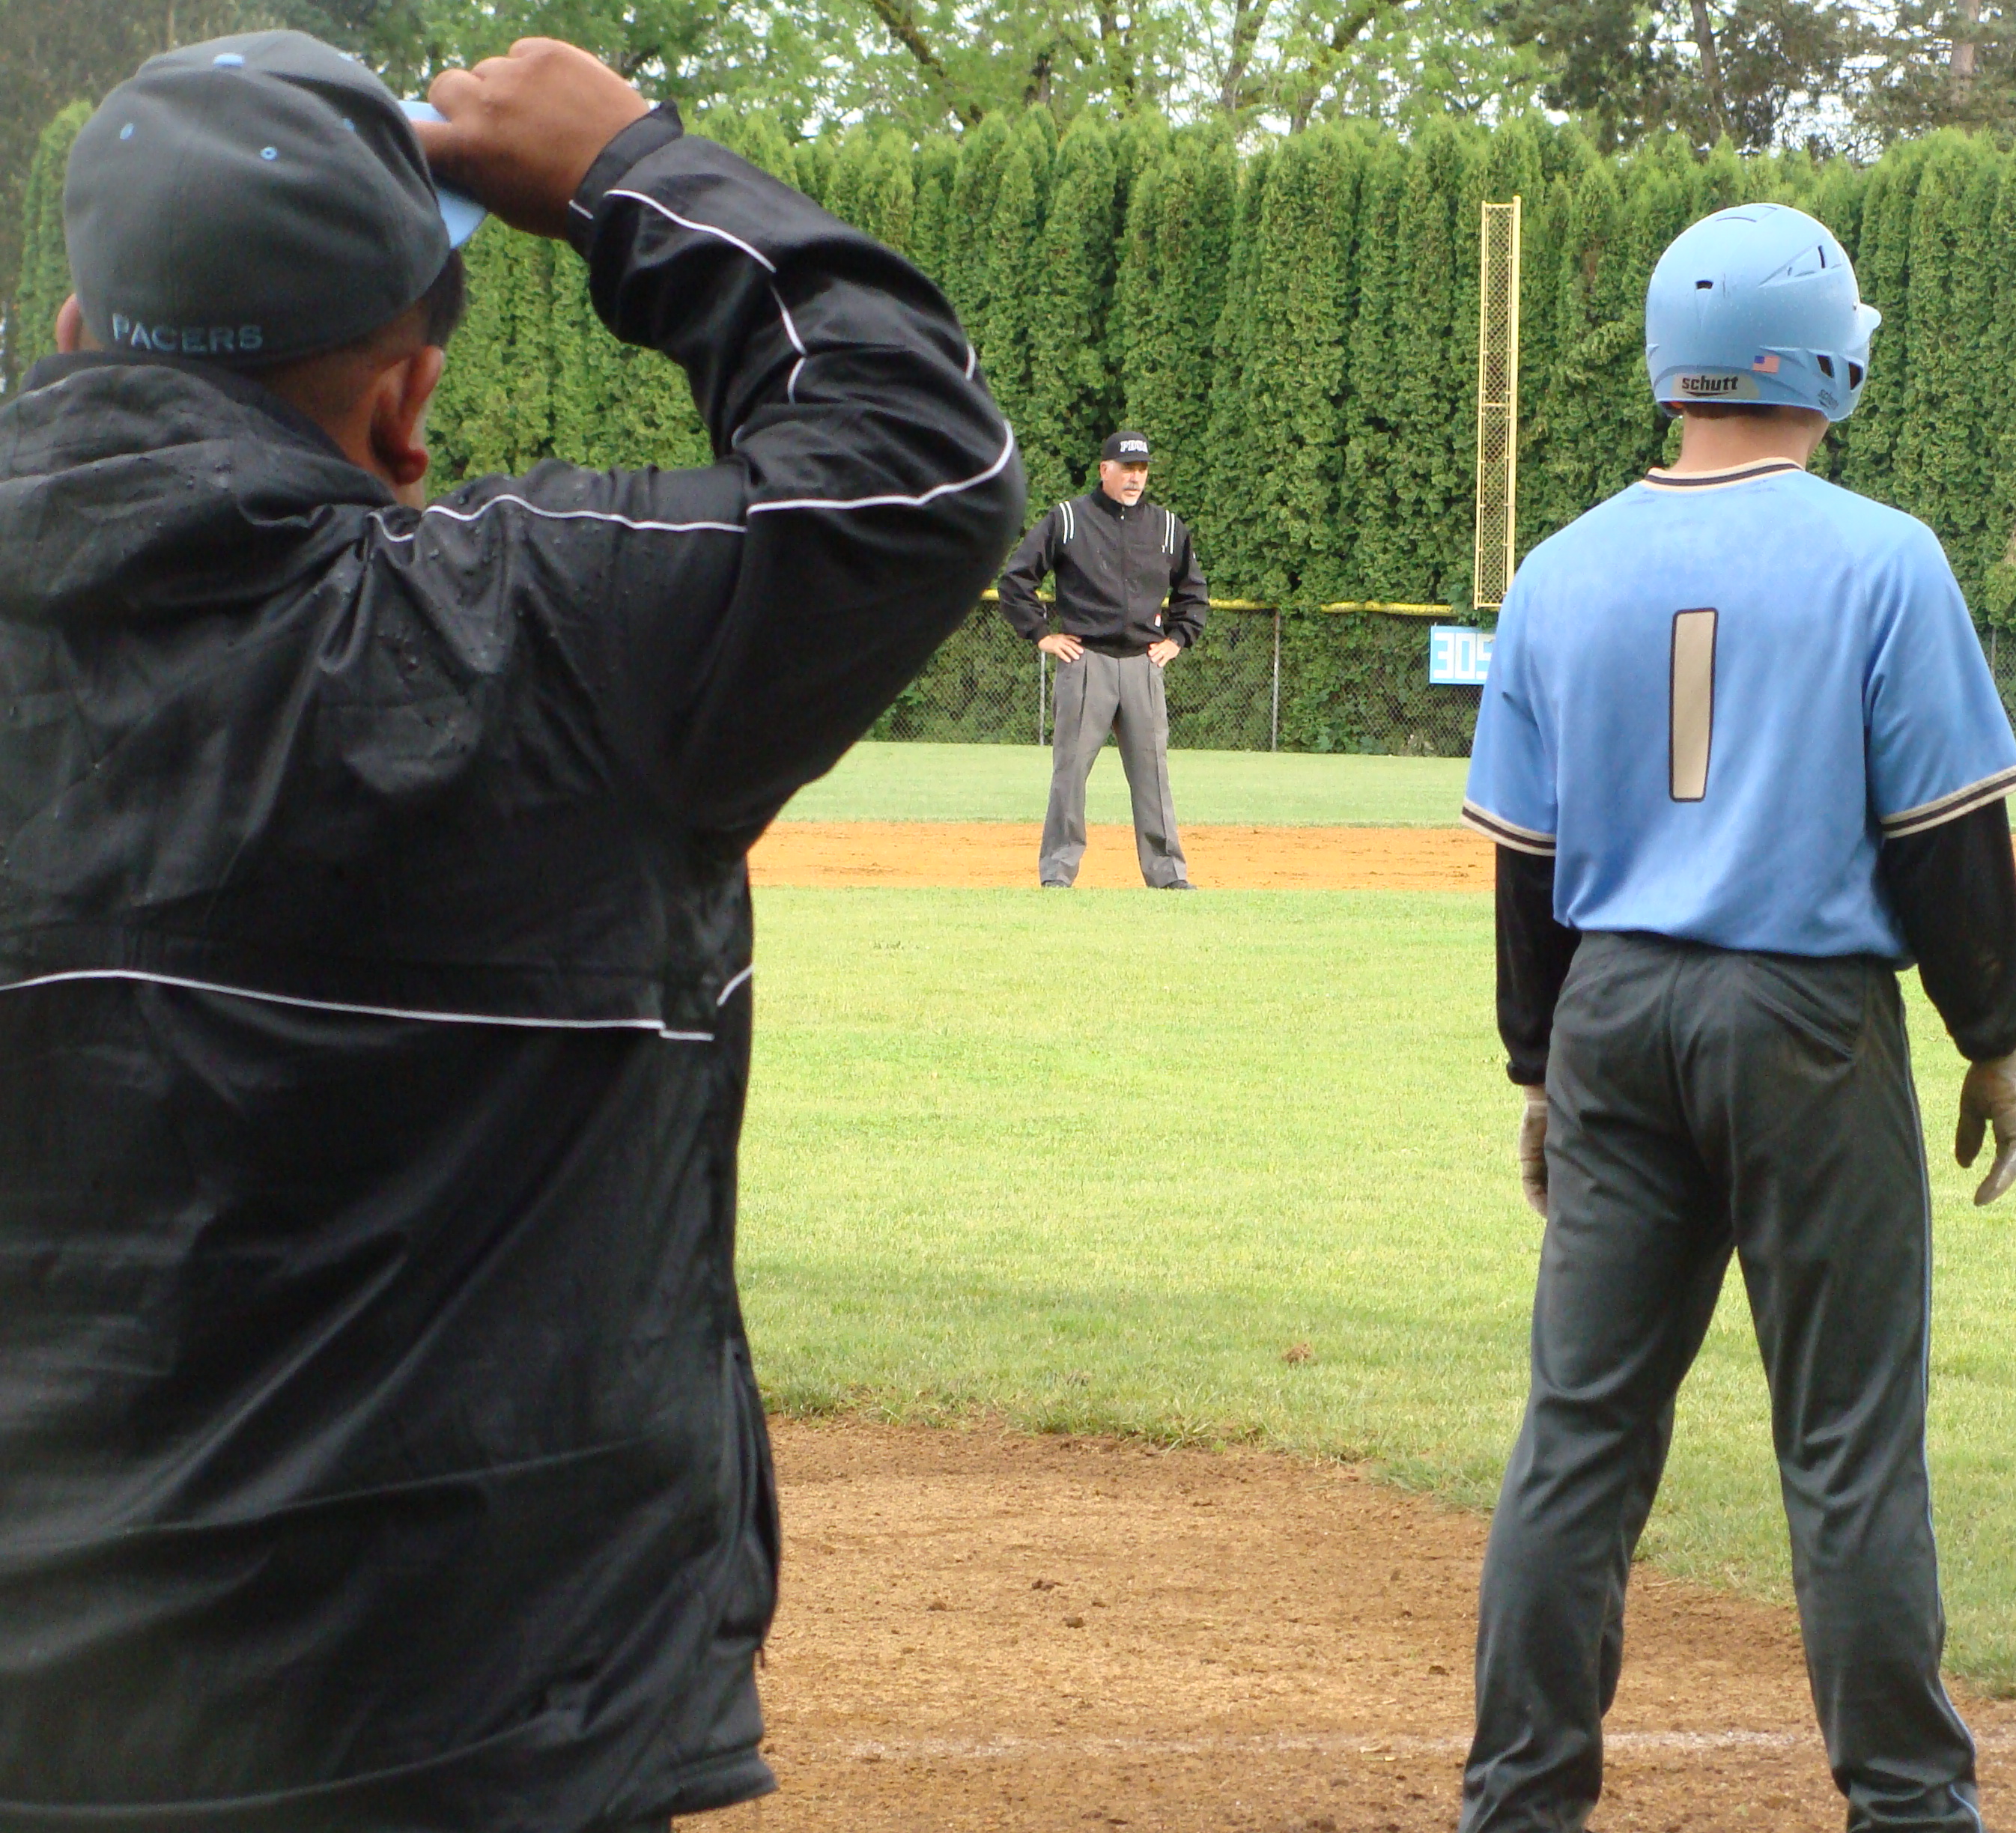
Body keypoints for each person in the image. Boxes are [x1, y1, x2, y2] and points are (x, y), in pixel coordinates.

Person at [0, 31, 1020, 1830]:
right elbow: (912, 469)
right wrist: (634, 173)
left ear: (75, 336)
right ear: (408, 402)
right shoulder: (540, 637)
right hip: (484, 1728)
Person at [1457, 202, 2016, 1833]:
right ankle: (1908, 1806)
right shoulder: (1883, 556)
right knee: (1846, 1444)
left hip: (1610, 1013)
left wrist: (1538, 1068)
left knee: (1577, 1439)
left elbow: (1525, 865)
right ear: (1821, 359)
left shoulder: (1558, 567)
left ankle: (1517, 1804)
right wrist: (1992, 1033)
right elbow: (1943, 839)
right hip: (1802, 1022)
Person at [997, 430, 1209, 889]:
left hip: (1143, 665)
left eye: (1142, 469)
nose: (1135, 478)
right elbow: (1016, 580)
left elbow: (1193, 592)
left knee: (1153, 776)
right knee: (1070, 772)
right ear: (1104, 470)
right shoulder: (1069, 519)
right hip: (1085, 662)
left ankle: (1168, 874)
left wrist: (1178, 639)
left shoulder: (1167, 527)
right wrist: (1042, 635)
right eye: (1127, 468)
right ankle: (1058, 871)